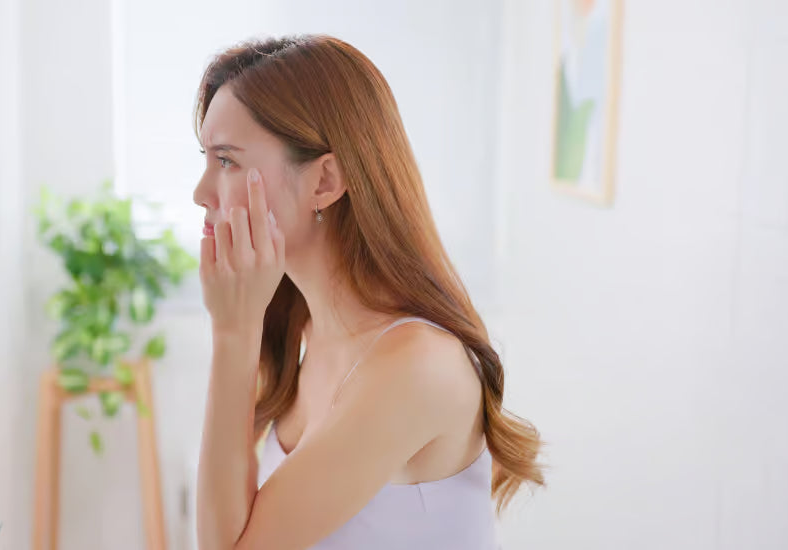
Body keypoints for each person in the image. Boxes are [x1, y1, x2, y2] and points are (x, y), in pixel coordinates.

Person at [193, 35, 543, 550]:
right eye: (206, 158)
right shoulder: (302, 326)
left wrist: (232, 331)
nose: (201, 193)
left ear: (324, 181)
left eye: (226, 161)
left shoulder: (417, 367)